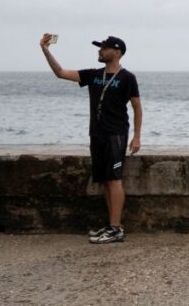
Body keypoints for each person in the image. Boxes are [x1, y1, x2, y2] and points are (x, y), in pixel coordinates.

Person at [40, 34, 142, 243]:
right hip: (97, 134)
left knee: (114, 179)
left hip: (116, 134)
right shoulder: (94, 75)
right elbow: (60, 73)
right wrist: (46, 50)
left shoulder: (127, 78)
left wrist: (136, 137)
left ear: (117, 52)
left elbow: (137, 107)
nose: (99, 51)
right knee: (105, 180)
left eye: (104, 48)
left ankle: (115, 229)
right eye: (100, 48)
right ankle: (112, 225)